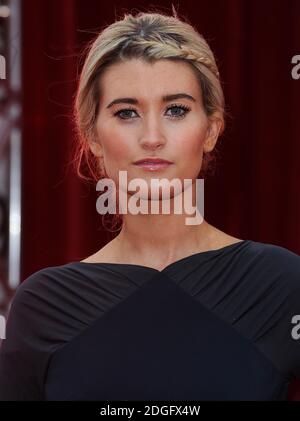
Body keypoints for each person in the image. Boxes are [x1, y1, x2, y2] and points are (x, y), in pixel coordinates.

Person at [0, 10, 300, 401]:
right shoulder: (44, 304)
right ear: (92, 136)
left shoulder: (281, 284)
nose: (153, 137)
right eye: (127, 113)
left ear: (210, 129)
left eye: (176, 109)